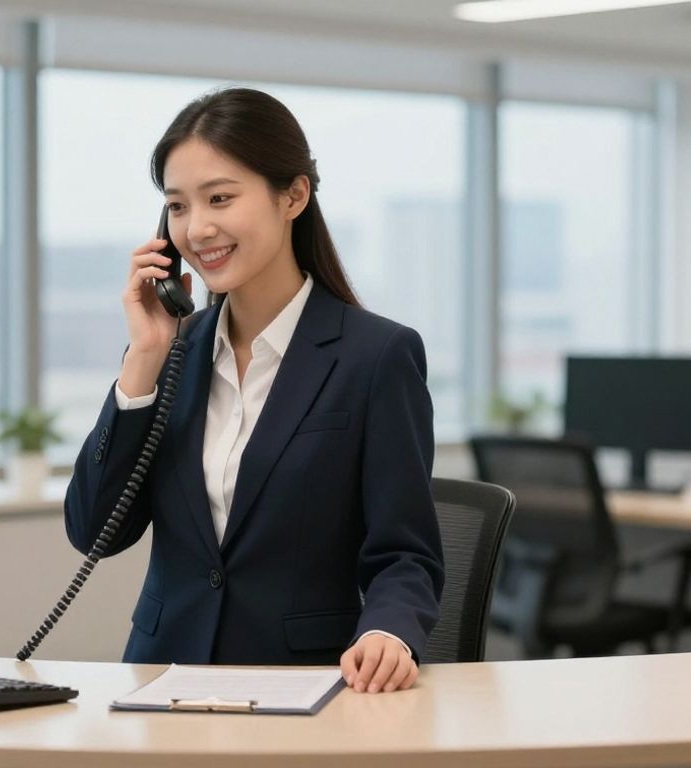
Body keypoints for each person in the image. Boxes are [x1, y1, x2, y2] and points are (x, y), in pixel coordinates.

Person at [65, 87, 443, 694]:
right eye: (178, 206)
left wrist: (388, 632)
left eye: (220, 198)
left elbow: (406, 552)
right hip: (163, 681)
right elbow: (93, 531)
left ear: (293, 196)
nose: (197, 228)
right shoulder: (171, 354)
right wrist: (143, 361)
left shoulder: (376, 357)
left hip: (304, 686)